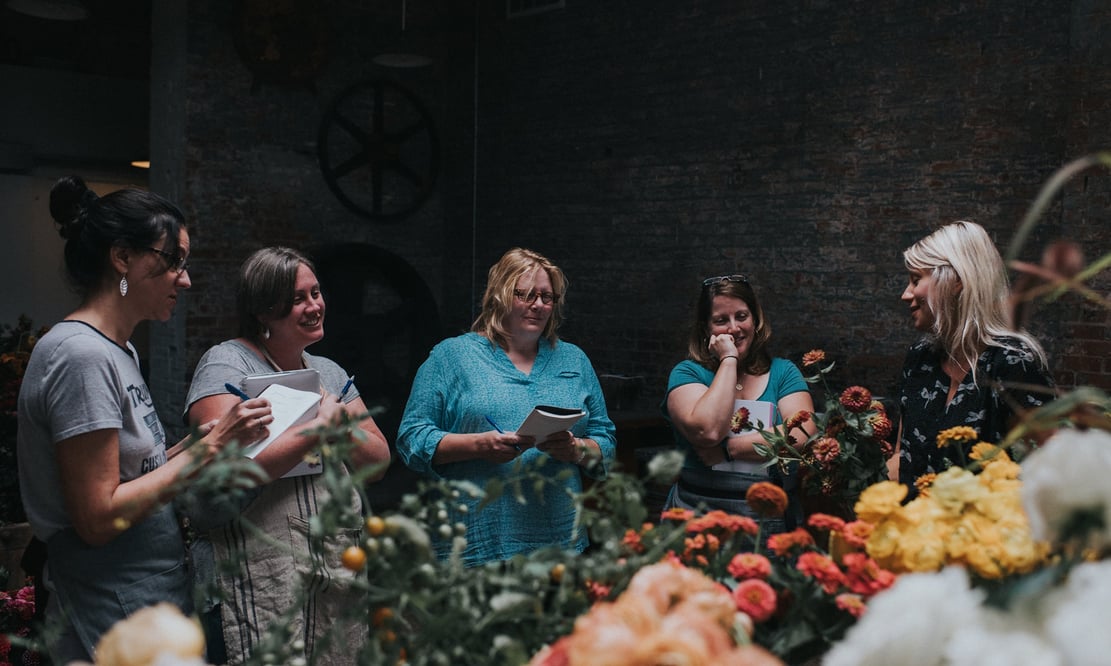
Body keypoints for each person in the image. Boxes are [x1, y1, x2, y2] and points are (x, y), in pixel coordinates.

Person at [16, 175, 271, 664]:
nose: (186, 278)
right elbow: (97, 516)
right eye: (172, 259)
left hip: (140, 595)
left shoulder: (119, 349)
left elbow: (132, 472)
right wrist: (210, 451)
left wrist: (209, 439)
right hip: (105, 602)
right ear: (123, 258)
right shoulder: (80, 356)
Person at [183, 246, 391, 665]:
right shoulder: (226, 365)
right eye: (299, 298)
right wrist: (322, 426)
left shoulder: (328, 372)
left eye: (316, 293)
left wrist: (338, 425)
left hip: (331, 564)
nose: (315, 306)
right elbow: (223, 470)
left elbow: (378, 460)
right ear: (263, 309)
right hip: (252, 569)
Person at [396, 247, 616, 566]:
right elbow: (411, 440)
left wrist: (577, 450)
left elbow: (606, 441)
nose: (538, 305)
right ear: (499, 295)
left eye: (547, 297)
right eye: (525, 294)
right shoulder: (451, 358)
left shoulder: (574, 360)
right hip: (474, 544)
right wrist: (478, 445)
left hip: (559, 544)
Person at [895, 220, 1055, 489]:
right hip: (915, 525)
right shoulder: (920, 357)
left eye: (915, 280)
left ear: (955, 281)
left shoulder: (1014, 363)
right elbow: (903, 456)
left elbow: (1047, 470)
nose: (905, 294)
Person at [662, 274, 816, 533]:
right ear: (706, 329)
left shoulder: (783, 372)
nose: (734, 328)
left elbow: (802, 434)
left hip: (771, 518)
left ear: (756, 320)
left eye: (742, 316)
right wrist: (729, 360)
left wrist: (729, 450)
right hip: (699, 515)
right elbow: (708, 430)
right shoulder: (687, 373)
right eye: (721, 320)